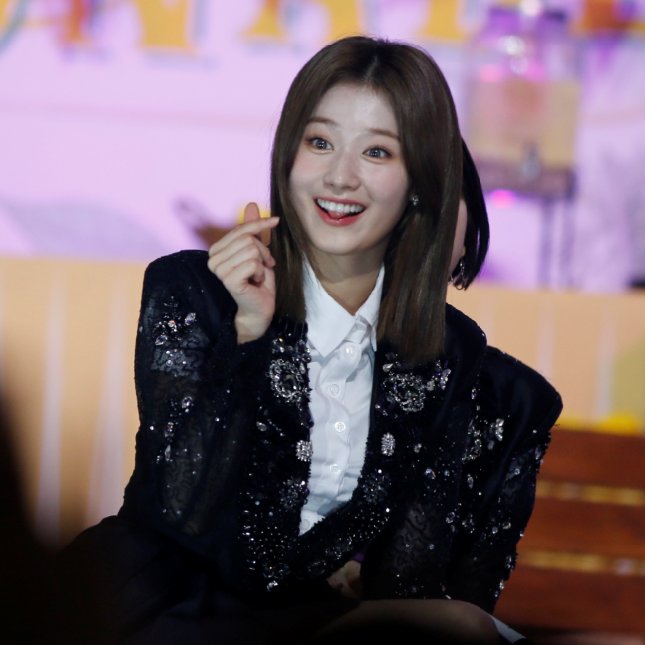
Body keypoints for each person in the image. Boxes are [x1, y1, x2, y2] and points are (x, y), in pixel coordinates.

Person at [55, 35, 562, 644]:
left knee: (466, 628)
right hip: (167, 607)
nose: (340, 176)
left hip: (312, 623)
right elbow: (181, 513)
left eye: (377, 152)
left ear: (421, 183)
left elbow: (419, 579)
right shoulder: (194, 291)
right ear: (288, 155)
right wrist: (245, 338)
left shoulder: (459, 365)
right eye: (320, 142)